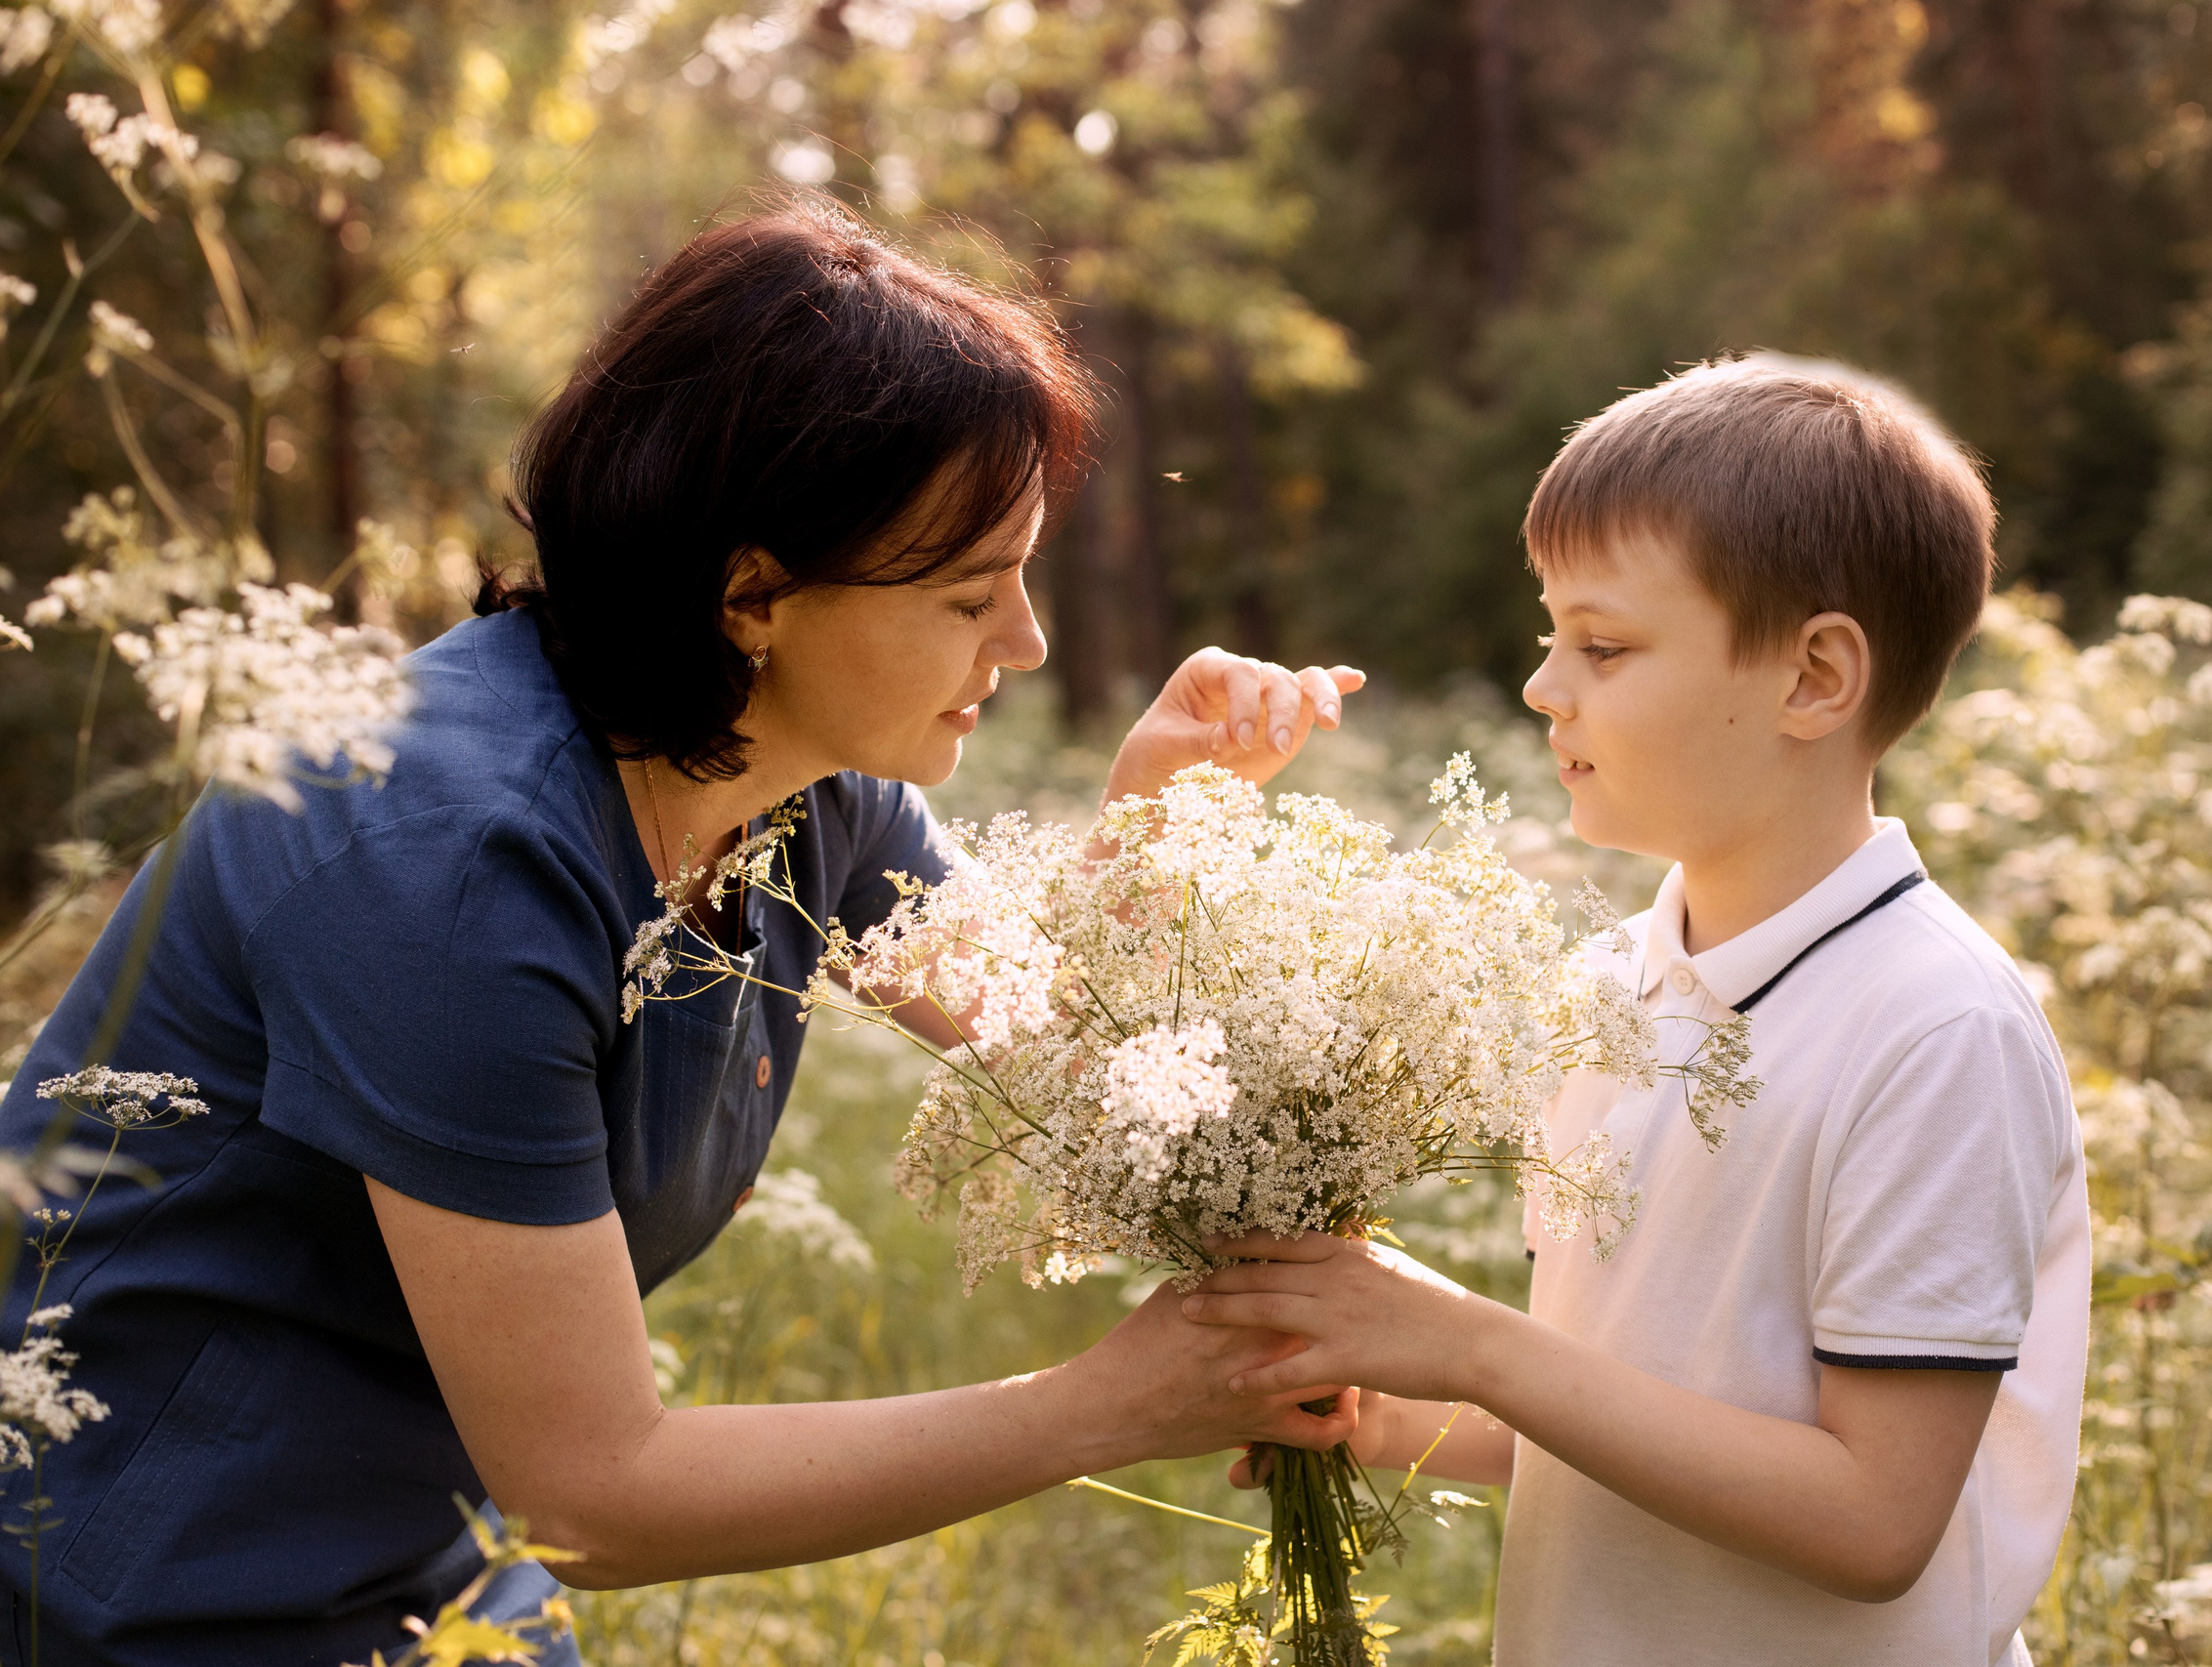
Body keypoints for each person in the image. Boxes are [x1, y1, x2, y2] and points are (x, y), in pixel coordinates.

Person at [0, 202, 1365, 1667]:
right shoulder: (449, 862)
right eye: (974, 591)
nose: (1025, 643)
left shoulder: (799, 787)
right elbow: (600, 1499)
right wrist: (1115, 1406)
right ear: (753, 595)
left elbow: (1062, 1048)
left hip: (442, 1573)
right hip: (142, 1592)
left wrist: (1161, 819)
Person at [1183, 355, 2091, 1666]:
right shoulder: (1608, 986)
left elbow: (1875, 1519)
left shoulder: (1936, 1032)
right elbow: (1623, 1410)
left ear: (1815, 679)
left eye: (1602, 646)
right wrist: (1388, 1404)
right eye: (1550, 635)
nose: (1547, 686)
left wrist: (1478, 1347)